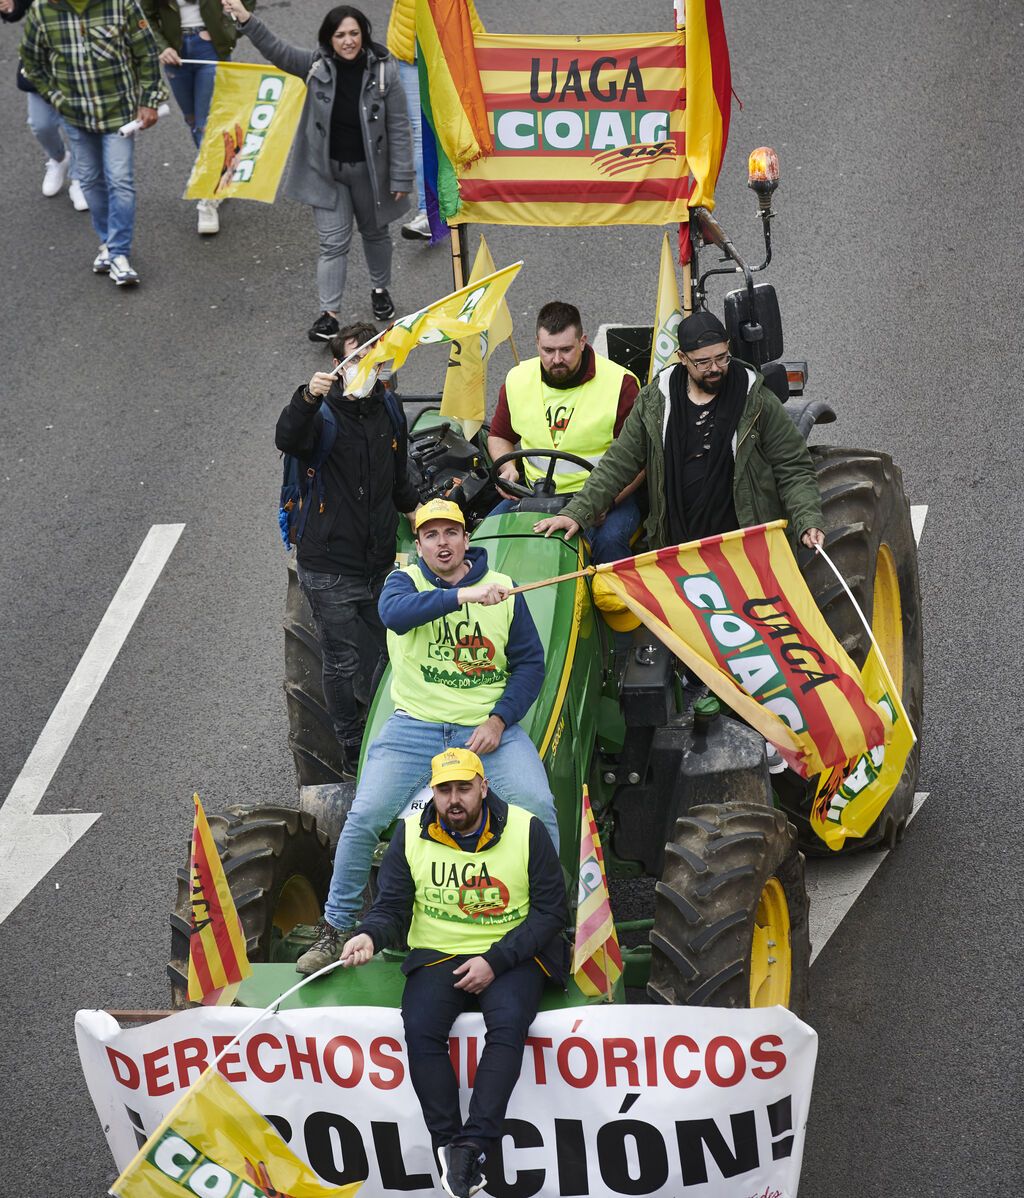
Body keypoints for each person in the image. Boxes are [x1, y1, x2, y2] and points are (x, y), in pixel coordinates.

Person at [296, 497, 561, 975]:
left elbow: (530, 665)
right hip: (414, 727)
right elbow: (395, 617)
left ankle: (552, 924)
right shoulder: (403, 583)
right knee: (364, 815)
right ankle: (336, 926)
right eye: (431, 535)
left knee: (540, 808)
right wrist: (464, 597)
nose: (443, 543)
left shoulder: (504, 590)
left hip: (483, 729)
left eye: (452, 533)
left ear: (467, 540)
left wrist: (499, 721)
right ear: (417, 544)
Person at [340, 746, 567, 1198]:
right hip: (439, 953)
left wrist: (495, 961)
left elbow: (550, 912)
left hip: (510, 951)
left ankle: (475, 1143)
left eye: (464, 787)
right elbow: (392, 908)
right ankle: (449, 1147)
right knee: (421, 1029)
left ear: (484, 787)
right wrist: (369, 935)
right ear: (433, 793)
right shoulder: (410, 834)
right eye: (444, 790)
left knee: (507, 1026)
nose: (454, 799)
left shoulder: (527, 829)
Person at [535, 310, 825, 556]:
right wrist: (577, 512)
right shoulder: (654, 402)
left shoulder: (757, 401)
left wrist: (807, 519)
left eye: (722, 358)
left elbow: (794, 467)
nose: (715, 369)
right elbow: (618, 464)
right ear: (682, 358)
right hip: (678, 550)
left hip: (744, 548)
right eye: (703, 362)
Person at [275, 320, 420, 778]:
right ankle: (354, 749)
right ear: (337, 366)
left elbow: (399, 480)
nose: (367, 364)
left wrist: (422, 515)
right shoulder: (321, 415)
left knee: (394, 649)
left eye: (374, 354)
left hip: (379, 562)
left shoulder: (389, 408)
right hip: (330, 568)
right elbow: (287, 437)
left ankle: (389, 731)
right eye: (356, 358)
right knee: (341, 661)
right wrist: (306, 398)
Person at [221, 0, 413, 339]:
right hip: (328, 175)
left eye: (354, 33)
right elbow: (276, 50)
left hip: (372, 175)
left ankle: (380, 291)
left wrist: (400, 176)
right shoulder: (315, 65)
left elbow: (399, 126)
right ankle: (329, 315)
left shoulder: (385, 71)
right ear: (329, 39)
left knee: (375, 234)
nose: (348, 41)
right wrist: (246, 18)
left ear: (364, 36)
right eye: (340, 35)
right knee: (332, 244)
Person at [19, 0, 166, 286]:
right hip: (75, 117)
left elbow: (147, 53)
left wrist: (149, 100)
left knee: (120, 180)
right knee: (90, 180)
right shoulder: (42, 10)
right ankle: (109, 245)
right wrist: (55, 98)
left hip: (119, 114)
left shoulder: (121, 4)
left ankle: (118, 253)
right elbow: (31, 62)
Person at [487, 301, 644, 564]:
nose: (556, 359)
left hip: (603, 498)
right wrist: (508, 468)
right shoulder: (517, 379)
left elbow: (640, 461)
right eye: (548, 350)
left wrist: (605, 502)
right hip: (533, 495)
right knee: (487, 540)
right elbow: (500, 436)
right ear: (537, 343)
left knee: (608, 544)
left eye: (566, 350)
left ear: (582, 341)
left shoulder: (621, 384)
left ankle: (612, 604)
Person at [140, 0, 255, 235]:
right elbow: (144, 14)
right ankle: (221, 173)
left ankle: (207, 198)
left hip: (209, 50)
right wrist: (161, 46)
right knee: (192, 121)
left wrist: (228, 31)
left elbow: (246, 3)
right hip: (176, 52)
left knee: (206, 125)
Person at [384, 0, 483, 243]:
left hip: (449, 50)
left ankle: (455, 197)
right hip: (415, 53)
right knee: (422, 132)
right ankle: (428, 212)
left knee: (455, 125)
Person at [2, 0, 88, 210]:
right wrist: (11, 8)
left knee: (78, 125)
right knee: (41, 125)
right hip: (42, 60)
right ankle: (58, 158)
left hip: (82, 59)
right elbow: (19, 6)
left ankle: (80, 179)